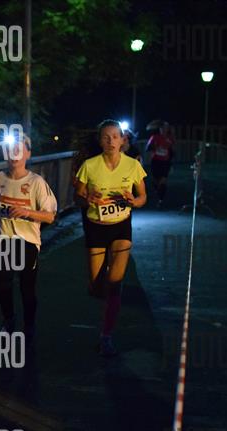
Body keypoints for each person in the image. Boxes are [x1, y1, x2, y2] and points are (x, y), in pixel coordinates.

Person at [74, 119, 147, 356]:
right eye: (106, 137)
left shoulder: (132, 165)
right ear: (100, 141)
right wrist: (87, 199)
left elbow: (142, 197)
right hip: (96, 227)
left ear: (122, 140)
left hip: (121, 227)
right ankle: (105, 292)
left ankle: (106, 335)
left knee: (115, 284)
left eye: (115, 136)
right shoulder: (89, 165)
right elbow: (77, 197)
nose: (111, 141)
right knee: (97, 286)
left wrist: (133, 201)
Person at [0, 132, 57, 346]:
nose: (13, 154)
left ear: (28, 154)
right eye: (9, 149)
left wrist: (27, 213)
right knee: (3, 284)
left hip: (27, 240)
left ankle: (29, 325)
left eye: (18, 149)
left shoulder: (36, 182)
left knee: (27, 287)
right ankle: (9, 320)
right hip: (4, 239)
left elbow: (50, 216)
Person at [146, 121, 174, 207]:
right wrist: (156, 147)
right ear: (160, 129)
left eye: (166, 128)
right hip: (156, 161)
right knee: (155, 181)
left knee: (163, 181)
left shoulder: (170, 138)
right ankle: (158, 192)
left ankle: (161, 200)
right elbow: (148, 148)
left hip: (165, 162)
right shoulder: (154, 137)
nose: (164, 129)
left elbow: (172, 152)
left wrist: (171, 164)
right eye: (163, 128)